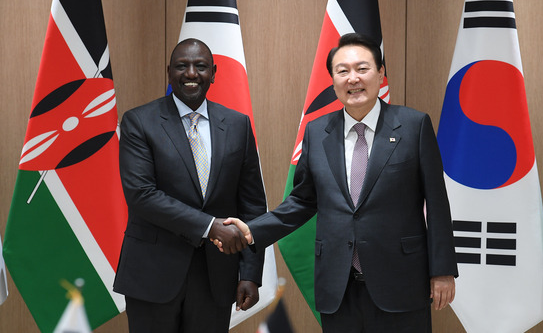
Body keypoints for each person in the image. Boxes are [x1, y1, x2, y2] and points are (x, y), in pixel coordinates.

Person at [218, 33, 458, 332]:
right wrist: (252, 230)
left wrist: (443, 270)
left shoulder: (413, 126)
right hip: (338, 286)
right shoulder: (318, 132)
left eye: (362, 68)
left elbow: (436, 203)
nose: (353, 79)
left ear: (381, 72)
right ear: (332, 80)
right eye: (342, 71)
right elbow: (302, 201)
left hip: (400, 281)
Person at [113, 38, 266, 333]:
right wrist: (210, 226)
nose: (191, 73)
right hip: (153, 273)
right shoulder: (139, 122)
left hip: (216, 277)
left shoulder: (238, 125)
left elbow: (253, 206)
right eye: (182, 66)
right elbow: (142, 195)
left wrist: (250, 272)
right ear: (169, 72)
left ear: (214, 72)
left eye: (201, 66)